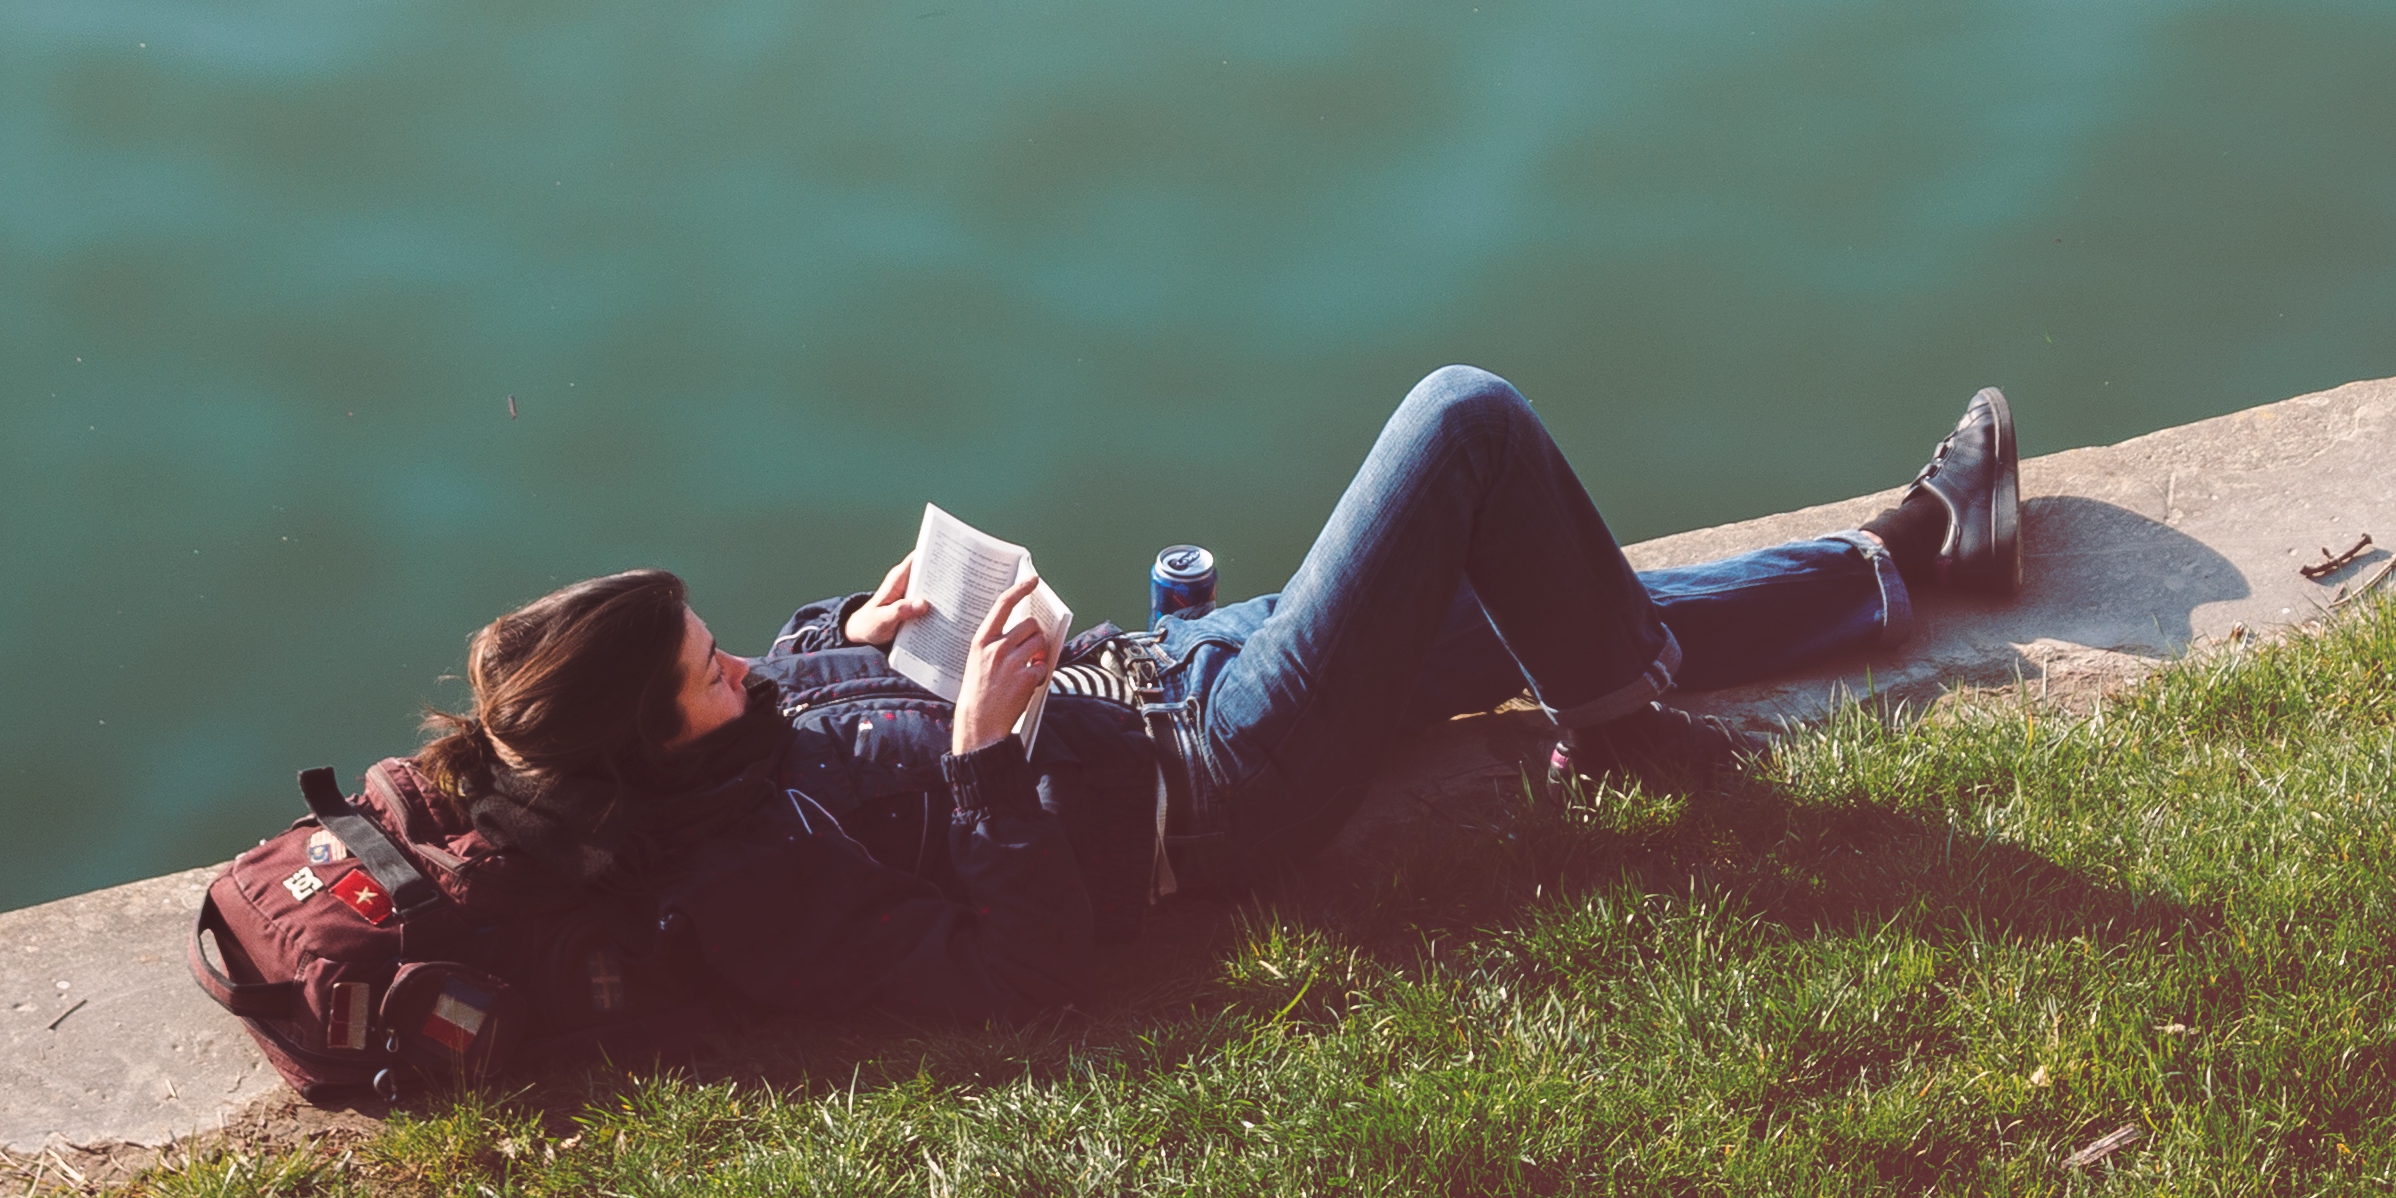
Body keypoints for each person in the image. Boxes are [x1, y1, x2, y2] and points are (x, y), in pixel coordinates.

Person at [387, 375, 2021, 1031]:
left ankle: (1902, 558)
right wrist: (974, 762)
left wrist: (864, 624)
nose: (740, 661)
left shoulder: (722, 754)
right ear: (647, 744)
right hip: (1218, 779)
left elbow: (800, 701)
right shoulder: (750, 889)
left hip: (1164, 675)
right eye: (707, 673)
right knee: (1464, 427)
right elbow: (1008, 970)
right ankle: (1625, 723)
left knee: (1514, 587)